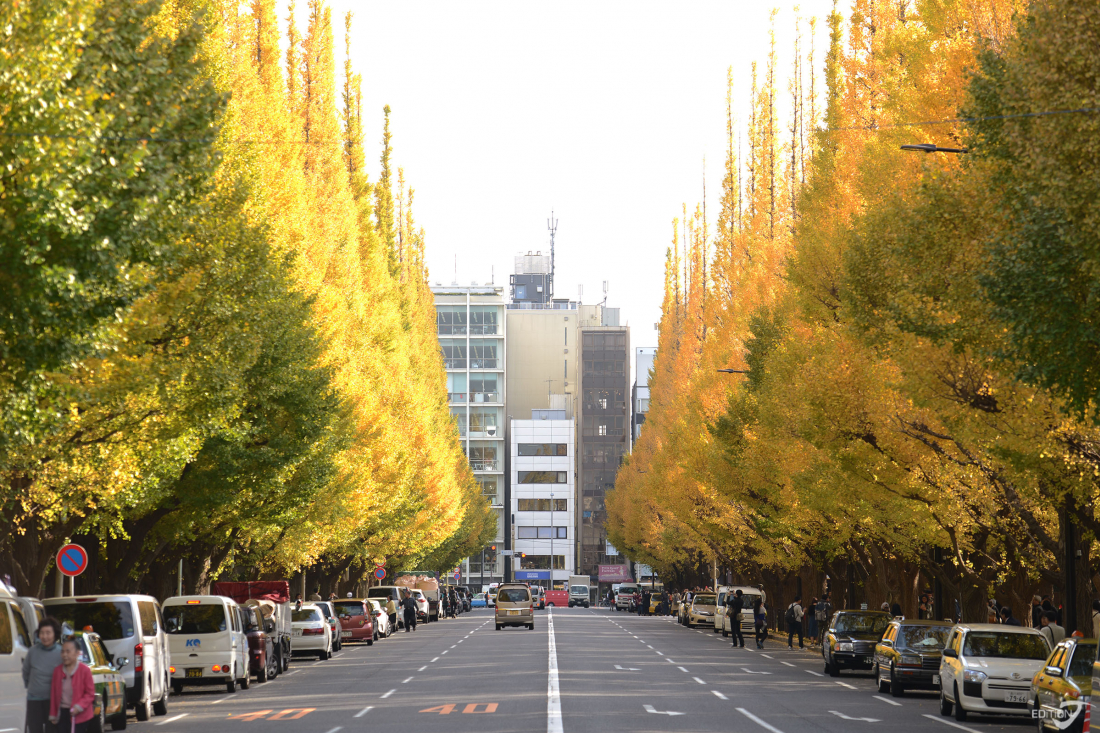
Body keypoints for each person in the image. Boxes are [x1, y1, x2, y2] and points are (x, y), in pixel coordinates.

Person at [23, 616, 62, 733]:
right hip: (34, 700)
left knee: (53, 730)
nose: (45, 636)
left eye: (48, 633)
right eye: (42, 633)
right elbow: (26, 672)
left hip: (54, 701)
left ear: (55, 634)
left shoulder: (61, 653)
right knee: (34, 730)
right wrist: (29, 688)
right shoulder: (32, 652)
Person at [49, 637, 95, 733]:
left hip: (80, 714)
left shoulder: (85, 670)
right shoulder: (57, 671)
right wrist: (53, 714)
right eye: (62, 652)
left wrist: (79, 706)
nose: (64, 655)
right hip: (62, 713)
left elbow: (90, 693)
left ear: (77, 653)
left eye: (68, 651)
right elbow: (53, 694)